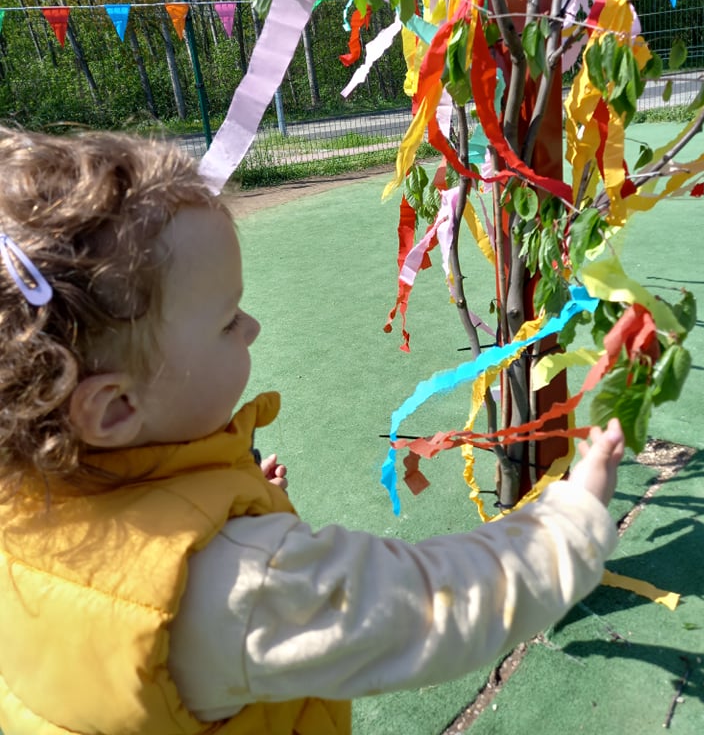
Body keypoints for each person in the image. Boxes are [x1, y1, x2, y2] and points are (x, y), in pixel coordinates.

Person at [0, 126, 625, 735]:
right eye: (227, 321)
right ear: (113, 409)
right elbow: (439, 607)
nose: (252, 328)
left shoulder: (21, 504)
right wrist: (573, 517)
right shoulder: (234, 584)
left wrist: (225, 506)